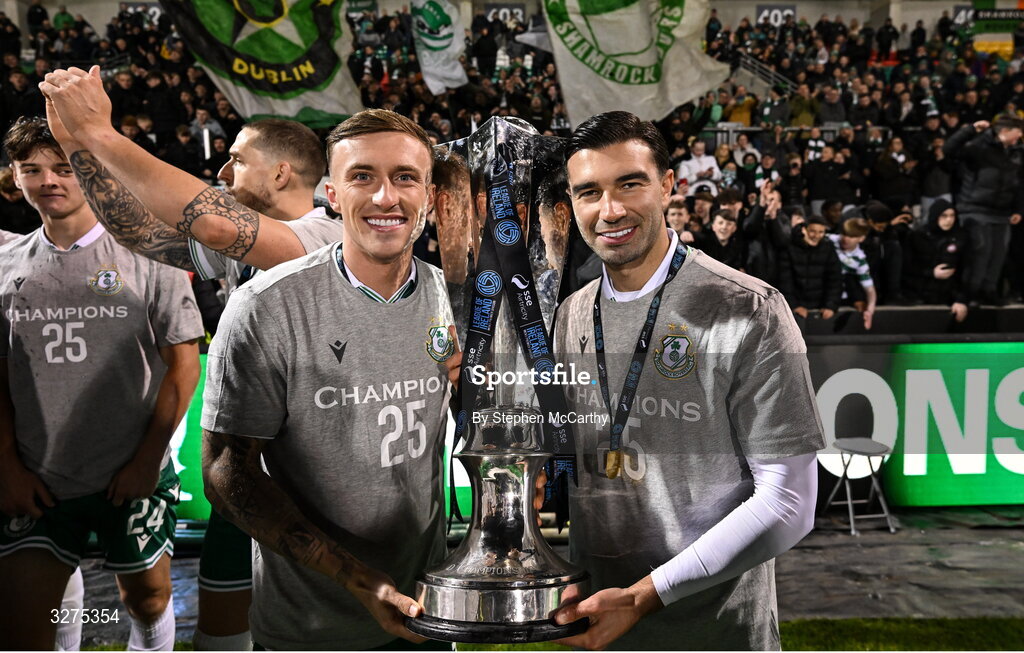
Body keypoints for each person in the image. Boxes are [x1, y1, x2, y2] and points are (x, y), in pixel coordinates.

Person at [45, 95, 346, 651]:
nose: (224, 169)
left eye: (237, 157)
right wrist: (75, 146)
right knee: (220, 637)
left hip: (319, 488)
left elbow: (209, 225)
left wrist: (102, 134)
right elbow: (139, 229)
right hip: (250, 478)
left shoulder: (327, 237)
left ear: (281, 172)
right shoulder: (247, 244)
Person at [550, 111, 824, 650]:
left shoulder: (749, 308)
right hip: (595, 625)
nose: (611, 209)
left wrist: (645, 595)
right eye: (589, 192)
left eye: (630, 184)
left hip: (713, 631)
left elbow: (789, 504)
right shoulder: (570, 315)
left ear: (669, 185)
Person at [0, 117, 203, 650]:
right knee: (28, 624)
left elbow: (184, 366)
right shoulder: (5, 264)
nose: (49, 180)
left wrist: (146, 459)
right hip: (39, 474)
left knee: (148, 600)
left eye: (64, 167)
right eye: (32, 170)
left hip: (130, 471)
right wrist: (6, 464)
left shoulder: (151, 253)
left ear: (89, 172)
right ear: (15, 180)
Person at [943, 117, 1024, 305]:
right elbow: (949, 150)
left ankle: (989, 290)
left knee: (998, 254)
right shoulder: (980, 146)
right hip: (975, 208)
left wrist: (1018, 209)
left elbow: (1020, 184)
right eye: (1017, 134)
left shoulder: (1017, 153)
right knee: (980, 252)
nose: (1018, 138)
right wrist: (969, 129)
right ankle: (970, 293)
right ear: (1004, 131)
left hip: (1002, 212)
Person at [904, 199, 970, 321]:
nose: (949, 220)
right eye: (944, 216)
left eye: (952, 216)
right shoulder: (918, 236)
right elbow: (907, 267)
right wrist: (931, 273)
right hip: (918, 294)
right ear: (935, 216)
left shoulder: (961, 237)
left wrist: (960, 300)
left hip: (948, 295)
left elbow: (966, 269)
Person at [777, 215, 843, 321]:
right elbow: (785, 280)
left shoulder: (828, 247)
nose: (816, 236)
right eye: (812, 231)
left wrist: (830, 305)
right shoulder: (790, 247)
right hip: (795, 310)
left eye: (821, 232)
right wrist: (794, 305)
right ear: (804, 230)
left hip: (820, 308)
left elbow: (835, 279)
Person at [827, 217, 877, 329]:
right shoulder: (829, 239)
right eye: (844, 234)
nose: (845, 239)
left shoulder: (860, 260)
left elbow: (870, 290)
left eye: (852, 236)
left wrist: (869, 311)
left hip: (839, 296)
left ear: (861, 238)